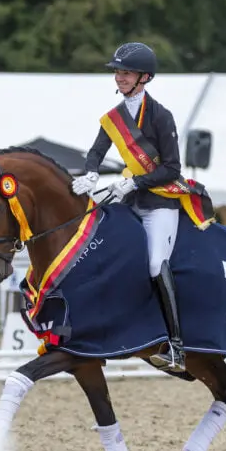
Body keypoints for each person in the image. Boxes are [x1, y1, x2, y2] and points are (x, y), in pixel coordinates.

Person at [72, 41, 186, 370]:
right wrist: (91, 175)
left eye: (126, 73)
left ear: (144, 77)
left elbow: (172, 168)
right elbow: (96, 150)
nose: (119, 78)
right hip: (129, 200)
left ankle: (176, 346)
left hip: (160, 203)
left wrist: (133, 181)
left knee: (154, 265)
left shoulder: (161, 116)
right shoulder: (114, 117)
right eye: (118, 72)